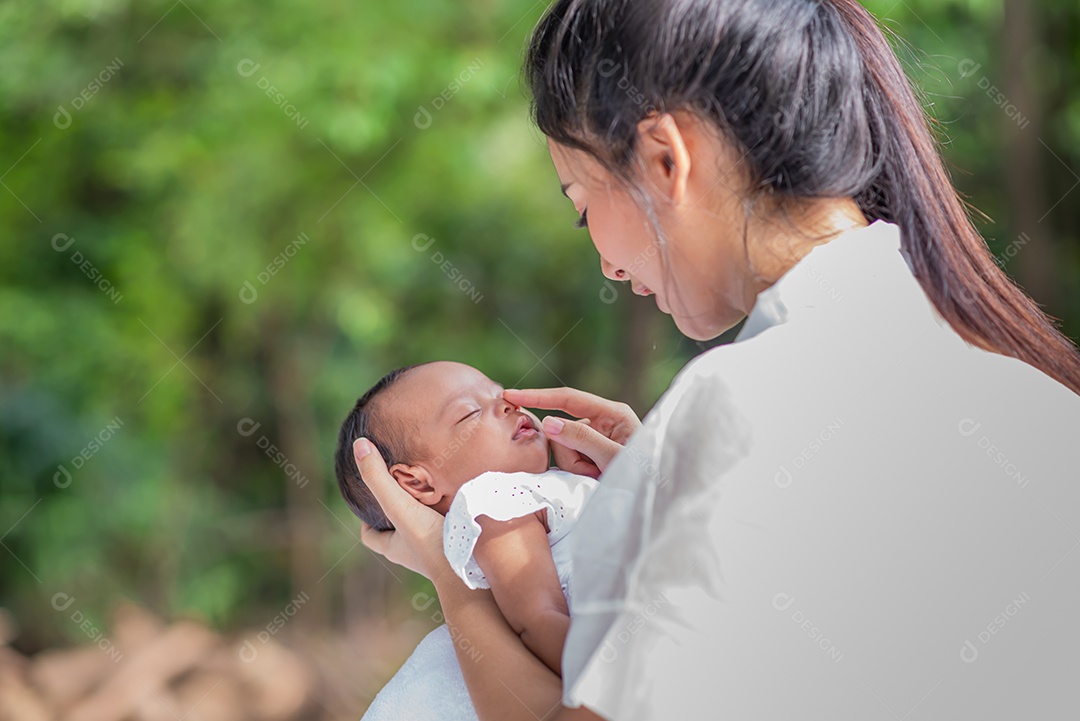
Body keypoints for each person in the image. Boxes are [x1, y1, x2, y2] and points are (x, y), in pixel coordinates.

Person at [350, 1, 1080, 719]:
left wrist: (450, 573)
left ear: (665, 158)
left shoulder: (743, 408)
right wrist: (667, 489)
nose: (605, 264)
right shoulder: (1028, 392)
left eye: (581, 206)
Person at [335, 361, 599, 677]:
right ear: (419, 483)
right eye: (469, 413)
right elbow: (540, 619)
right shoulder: (495, 501)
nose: (508, 404)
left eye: (499, 392)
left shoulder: (546, 486)